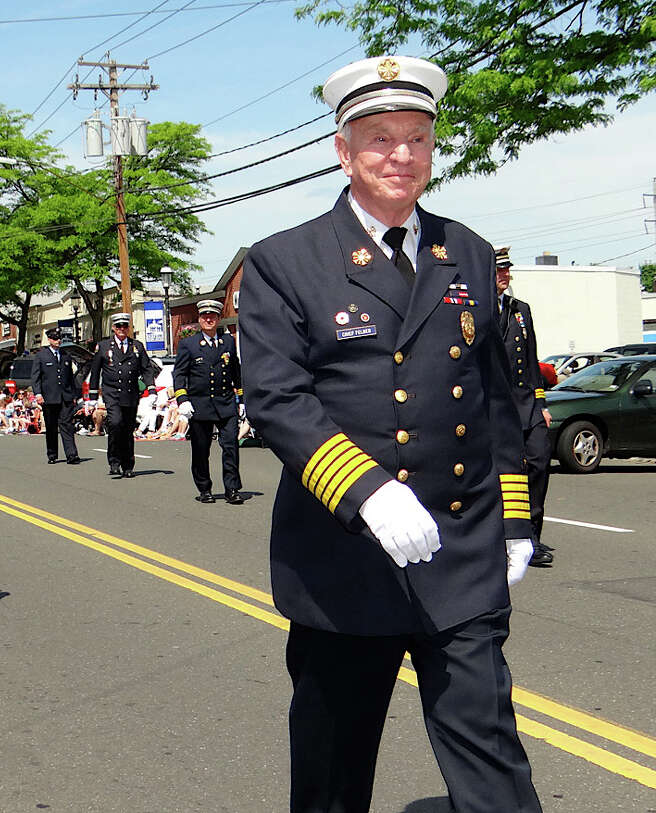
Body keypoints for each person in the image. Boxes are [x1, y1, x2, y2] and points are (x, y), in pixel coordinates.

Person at [238, 55, 541, 812]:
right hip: (347, 561)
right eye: (378, 138)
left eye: (416, 138)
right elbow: (279, 398)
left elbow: (498, 395)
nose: (400, 155)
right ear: (343, 151)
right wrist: (368, 491)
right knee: (334, 775)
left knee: (493, 761)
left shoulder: (464, 248)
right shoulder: (285, 260)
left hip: (462, 552)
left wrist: (514, 517)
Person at [496, 247, 554, 567]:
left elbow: (531, 360)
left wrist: (541, 402)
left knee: (538, 462)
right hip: (495, 408)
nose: (505, 275)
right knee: (505, 473)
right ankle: (505, 535)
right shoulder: (476, 309)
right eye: (499, 270)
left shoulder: (521, 310)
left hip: (527, 404)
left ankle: (532, 535)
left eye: (507, 270)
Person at [173, 299, 244, 504]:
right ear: (199, 319)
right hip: (200, 405)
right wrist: (182, 399)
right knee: (201, 449)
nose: (208, 319)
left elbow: (235, 370)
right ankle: (205, 488)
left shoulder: (228, 341)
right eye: (205, 316)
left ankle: (232, 489)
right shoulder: (189, 344)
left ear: (218, 319)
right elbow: (179, 374)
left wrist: (242, 398)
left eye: (212, 316)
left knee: (231, 446)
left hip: (225, 403)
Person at [87, 312, 157, 477]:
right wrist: (91, 398)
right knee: (116, 423)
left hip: (131, 393)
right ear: (113, 328)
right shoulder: (104, 346)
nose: (122, 329)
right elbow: (95, 371)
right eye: (118, 326)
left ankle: (128, 465)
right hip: (112, 393)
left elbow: (146, 369)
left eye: (125, 326)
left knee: (127, 429)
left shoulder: (137, 346)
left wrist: (151, 389)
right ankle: (114, 460)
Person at [32, 327, 82, 464]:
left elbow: (70, 377)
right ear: (49, 339)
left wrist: (74, 394)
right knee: (51, 426)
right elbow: (36, 377)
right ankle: (52, 454)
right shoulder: (41, 356)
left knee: (67, 425)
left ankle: (72, 454)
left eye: (59, 338)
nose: (58, 341)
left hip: (65, 397)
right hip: (49, 397)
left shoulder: (65, 355)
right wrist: (38, 394)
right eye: (55, 338)